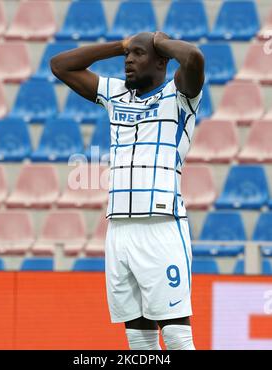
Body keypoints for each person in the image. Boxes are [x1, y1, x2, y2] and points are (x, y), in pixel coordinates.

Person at [50, 31, 204, 350]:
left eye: (137, 54)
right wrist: (120, 45)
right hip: (119, 228)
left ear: (161, 61)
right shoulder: (116, 93)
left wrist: (156, 40)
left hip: (161, 226)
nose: (129, 61)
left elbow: (193, 58)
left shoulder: (179, 96)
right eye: (126, 56)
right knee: (138, 337)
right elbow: (60, 65)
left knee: (176, 335)